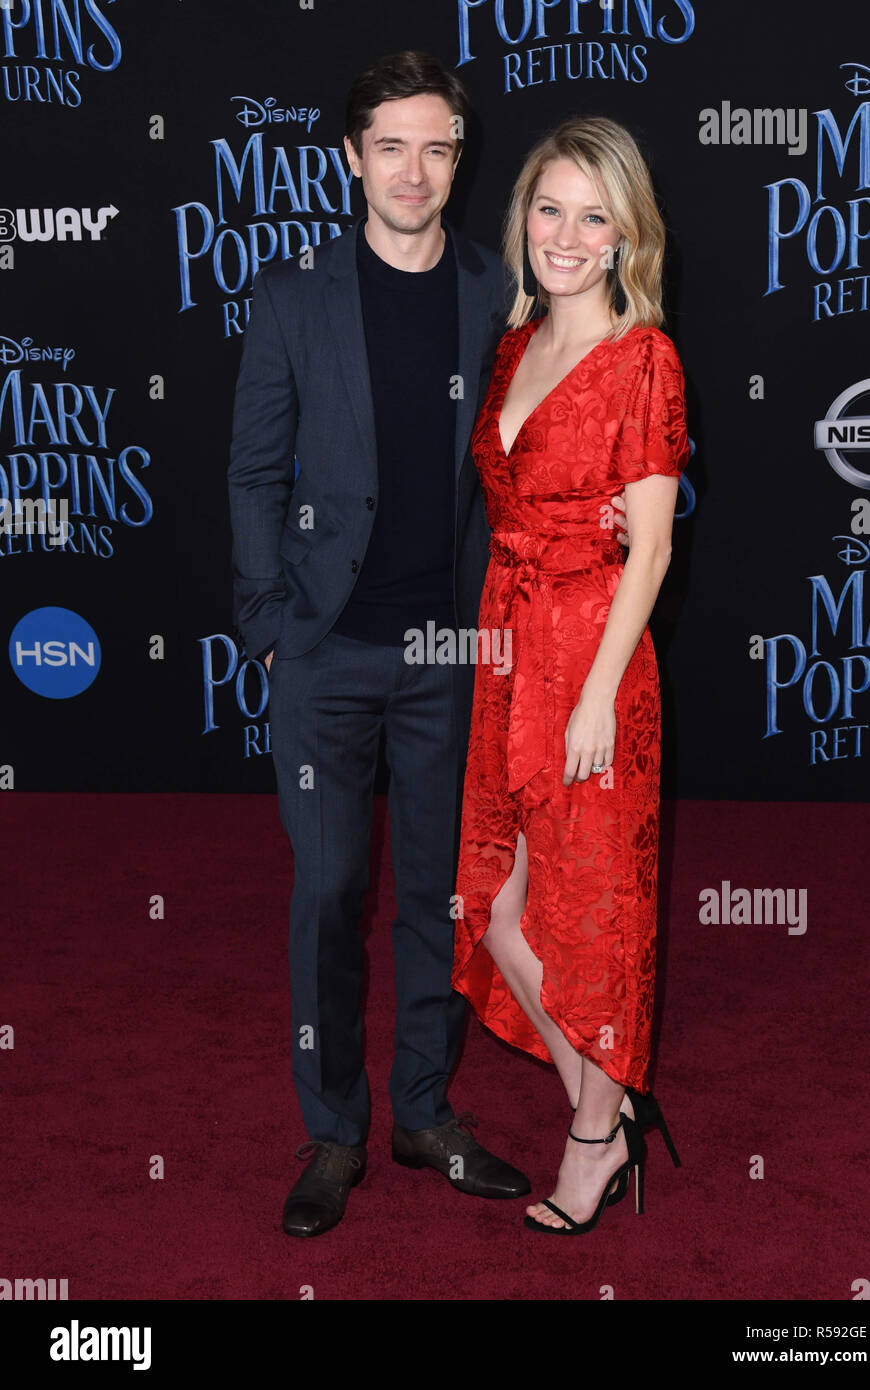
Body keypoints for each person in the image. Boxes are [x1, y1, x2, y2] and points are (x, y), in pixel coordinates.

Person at [228, 53, 631, 1238]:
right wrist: (265, 625)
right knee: (326, 892)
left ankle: (421, 1112)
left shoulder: (490, 293)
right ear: (351, 157)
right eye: (389, 145)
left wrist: (608, 507)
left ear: (460, 160)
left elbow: (566, 412)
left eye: (437, 146)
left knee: (443, 899)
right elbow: (253, 474)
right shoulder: (292, 294)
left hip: (455, 654)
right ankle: (334, 1130)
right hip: (322, 650)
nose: (413, 170)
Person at [452, 115, 688, 1234]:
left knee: (585, 922)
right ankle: (606, 1113)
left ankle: (591, 1139)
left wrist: (596, 691)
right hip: (509, 650)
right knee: (496, 907)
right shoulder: (512, 345)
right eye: (549, 208)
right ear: (523, 220)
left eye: (593, 215)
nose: (565, 233)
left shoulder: (642, 357)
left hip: (591, 663)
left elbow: (649, 546)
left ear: (622, 236)